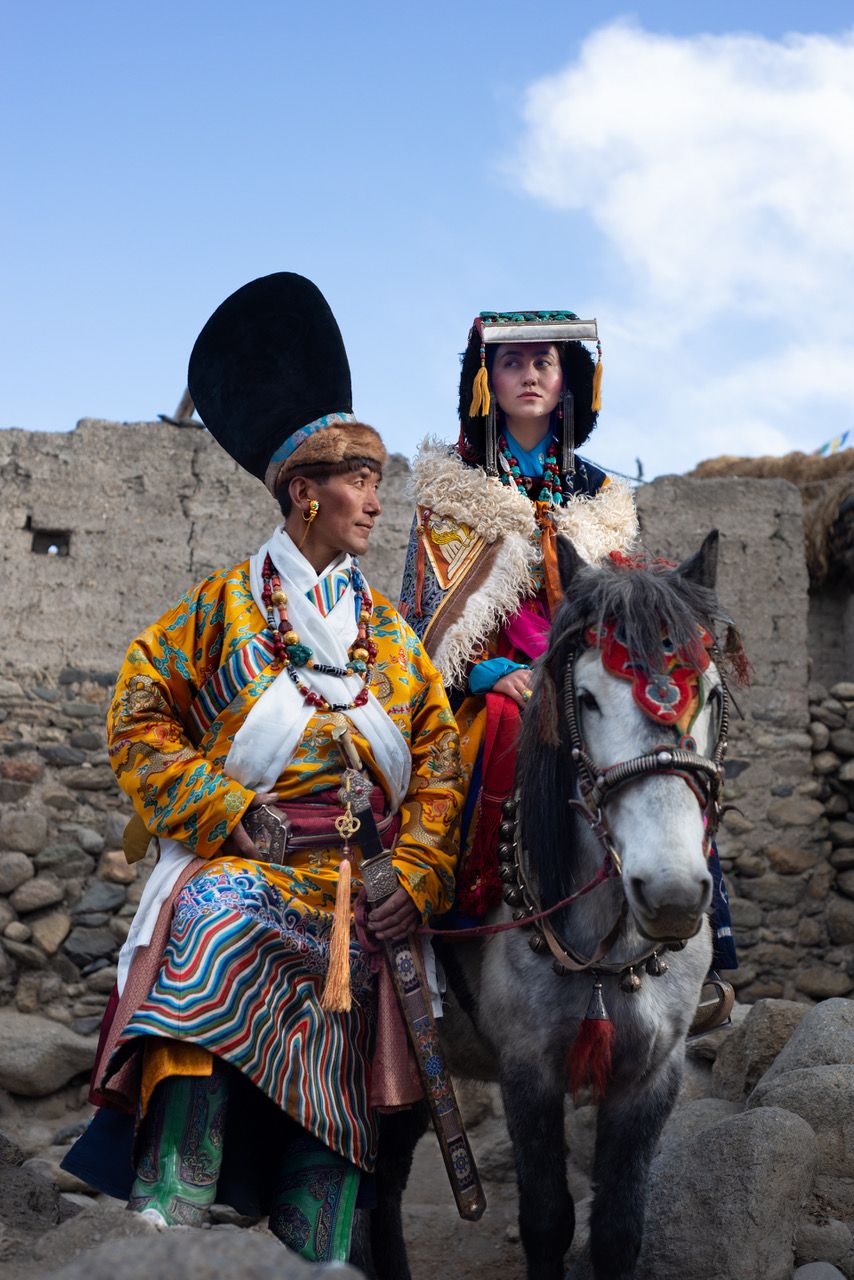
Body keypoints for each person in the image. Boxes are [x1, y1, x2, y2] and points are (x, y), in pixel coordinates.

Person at [61, 273, 463, 1262]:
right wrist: (221, 806)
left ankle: (314, 1228)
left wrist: (408, 877)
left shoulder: (397, 646)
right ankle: (175, 1191)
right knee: (213, 914)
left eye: (377, 478)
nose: (375, 498)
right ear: (302, 491)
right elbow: (139, 715)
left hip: (355, 885)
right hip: (249, 852)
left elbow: (441, 768)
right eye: (357, 479)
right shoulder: (216, 612)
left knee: (360, 982)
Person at [398, 309, 737, 997]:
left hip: (595, 670)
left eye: (543, 363)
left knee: (668, 747)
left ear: (567, 379)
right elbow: (427, 618)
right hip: (495, 681)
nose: (529, 376)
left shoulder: (603, 497)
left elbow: (628, 610)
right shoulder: (449, 491)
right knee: (497, 735)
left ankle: (696, 956)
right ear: (486, 379)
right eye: (513, 363)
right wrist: (492, 671)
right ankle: (440, 938)